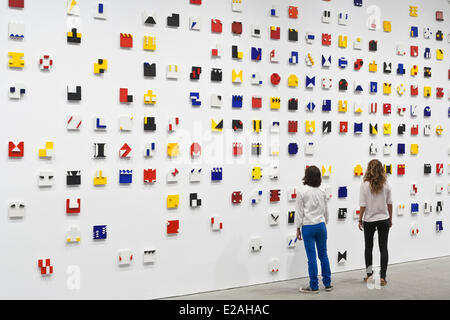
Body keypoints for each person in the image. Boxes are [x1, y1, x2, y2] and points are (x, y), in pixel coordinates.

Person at [296, 165, 332, 293]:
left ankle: (314, 286)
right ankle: (327, 284)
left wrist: (298, 228)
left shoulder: (302, 191)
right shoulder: (322, 191)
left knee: (311, 256)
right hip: (321, 226)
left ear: (307, 176)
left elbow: (299, 212)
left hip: (308, 227)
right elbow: (326, 210)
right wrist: (325, 222)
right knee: (323, 254)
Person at [358, 159, 392, 286]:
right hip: (383, 219)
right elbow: (390, 203)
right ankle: (382, 278)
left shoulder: (364, 185)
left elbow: (362, 205)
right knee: (383, 248)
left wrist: (360, 219)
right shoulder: (386, 185)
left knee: (368, 248)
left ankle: (369, 275)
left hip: (369, 220)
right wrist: (390, 218)